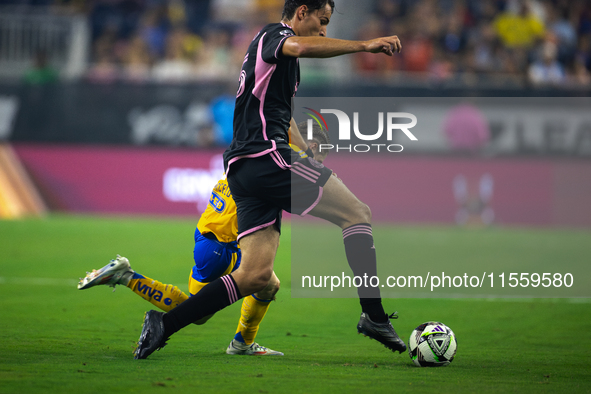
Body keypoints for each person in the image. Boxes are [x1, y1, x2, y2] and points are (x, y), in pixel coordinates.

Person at [134, 0, 405, 360]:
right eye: (321, 21)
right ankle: (374, 316)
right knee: (357, 214)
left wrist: (304, 146)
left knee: (256, 275)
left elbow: (278, 111)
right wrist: (364, 44)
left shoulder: (279, 62)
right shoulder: (274, 36)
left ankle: (163, 325)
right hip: (267, 157)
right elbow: (301, 45)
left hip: (245, 170)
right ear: (301, 12)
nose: (323, 30)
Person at [78, 122, 329, 356]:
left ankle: (243, 342)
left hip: (214, 236)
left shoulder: (262, 149)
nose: (319, 162)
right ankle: (126, 276)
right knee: (197, 311)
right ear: (313, 146)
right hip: (221, 246)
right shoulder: (284, 161)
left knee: (268, 283)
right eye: (320, 156)